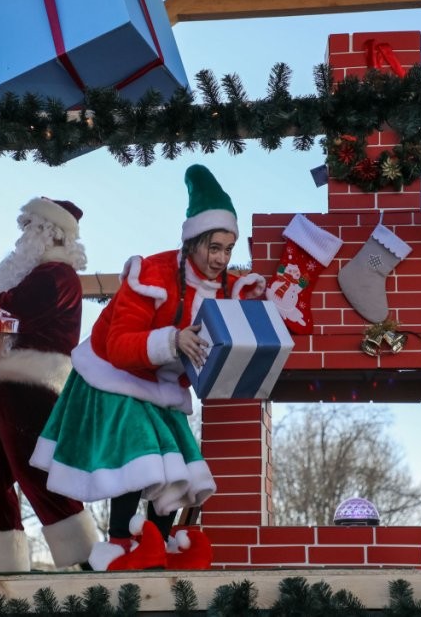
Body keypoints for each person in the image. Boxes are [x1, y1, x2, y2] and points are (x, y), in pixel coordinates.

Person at [30, 164, 267, 571]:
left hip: (161, 387)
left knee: (179, 460)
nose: (222, 259)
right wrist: (172, 340)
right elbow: (119, 345)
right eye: (215, 248)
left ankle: (157, 542)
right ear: (193, 241)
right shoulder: (151, 275)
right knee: (140, 452)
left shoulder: (227, 286)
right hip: (112, 377)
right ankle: (123, 543)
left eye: (229, 249)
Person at [0, 197, 98, 572]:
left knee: (37, 475)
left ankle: (86, 562)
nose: (22, 239)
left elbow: (7, 307)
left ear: (48, 233)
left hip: (32, 386)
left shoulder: (57, 277)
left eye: (29, 228)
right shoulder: (36, 274)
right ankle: (2, 571)